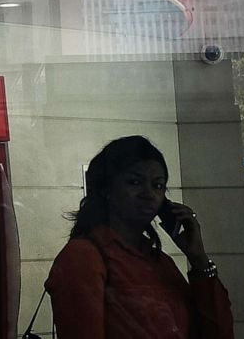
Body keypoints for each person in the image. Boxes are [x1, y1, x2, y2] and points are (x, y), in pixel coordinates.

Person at [45, 135, 233, 338]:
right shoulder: (84, 256)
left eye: (158, 185)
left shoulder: (160, 262)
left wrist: (198, 259)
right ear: (107, 189)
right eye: (134, 182)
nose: (149, 194)